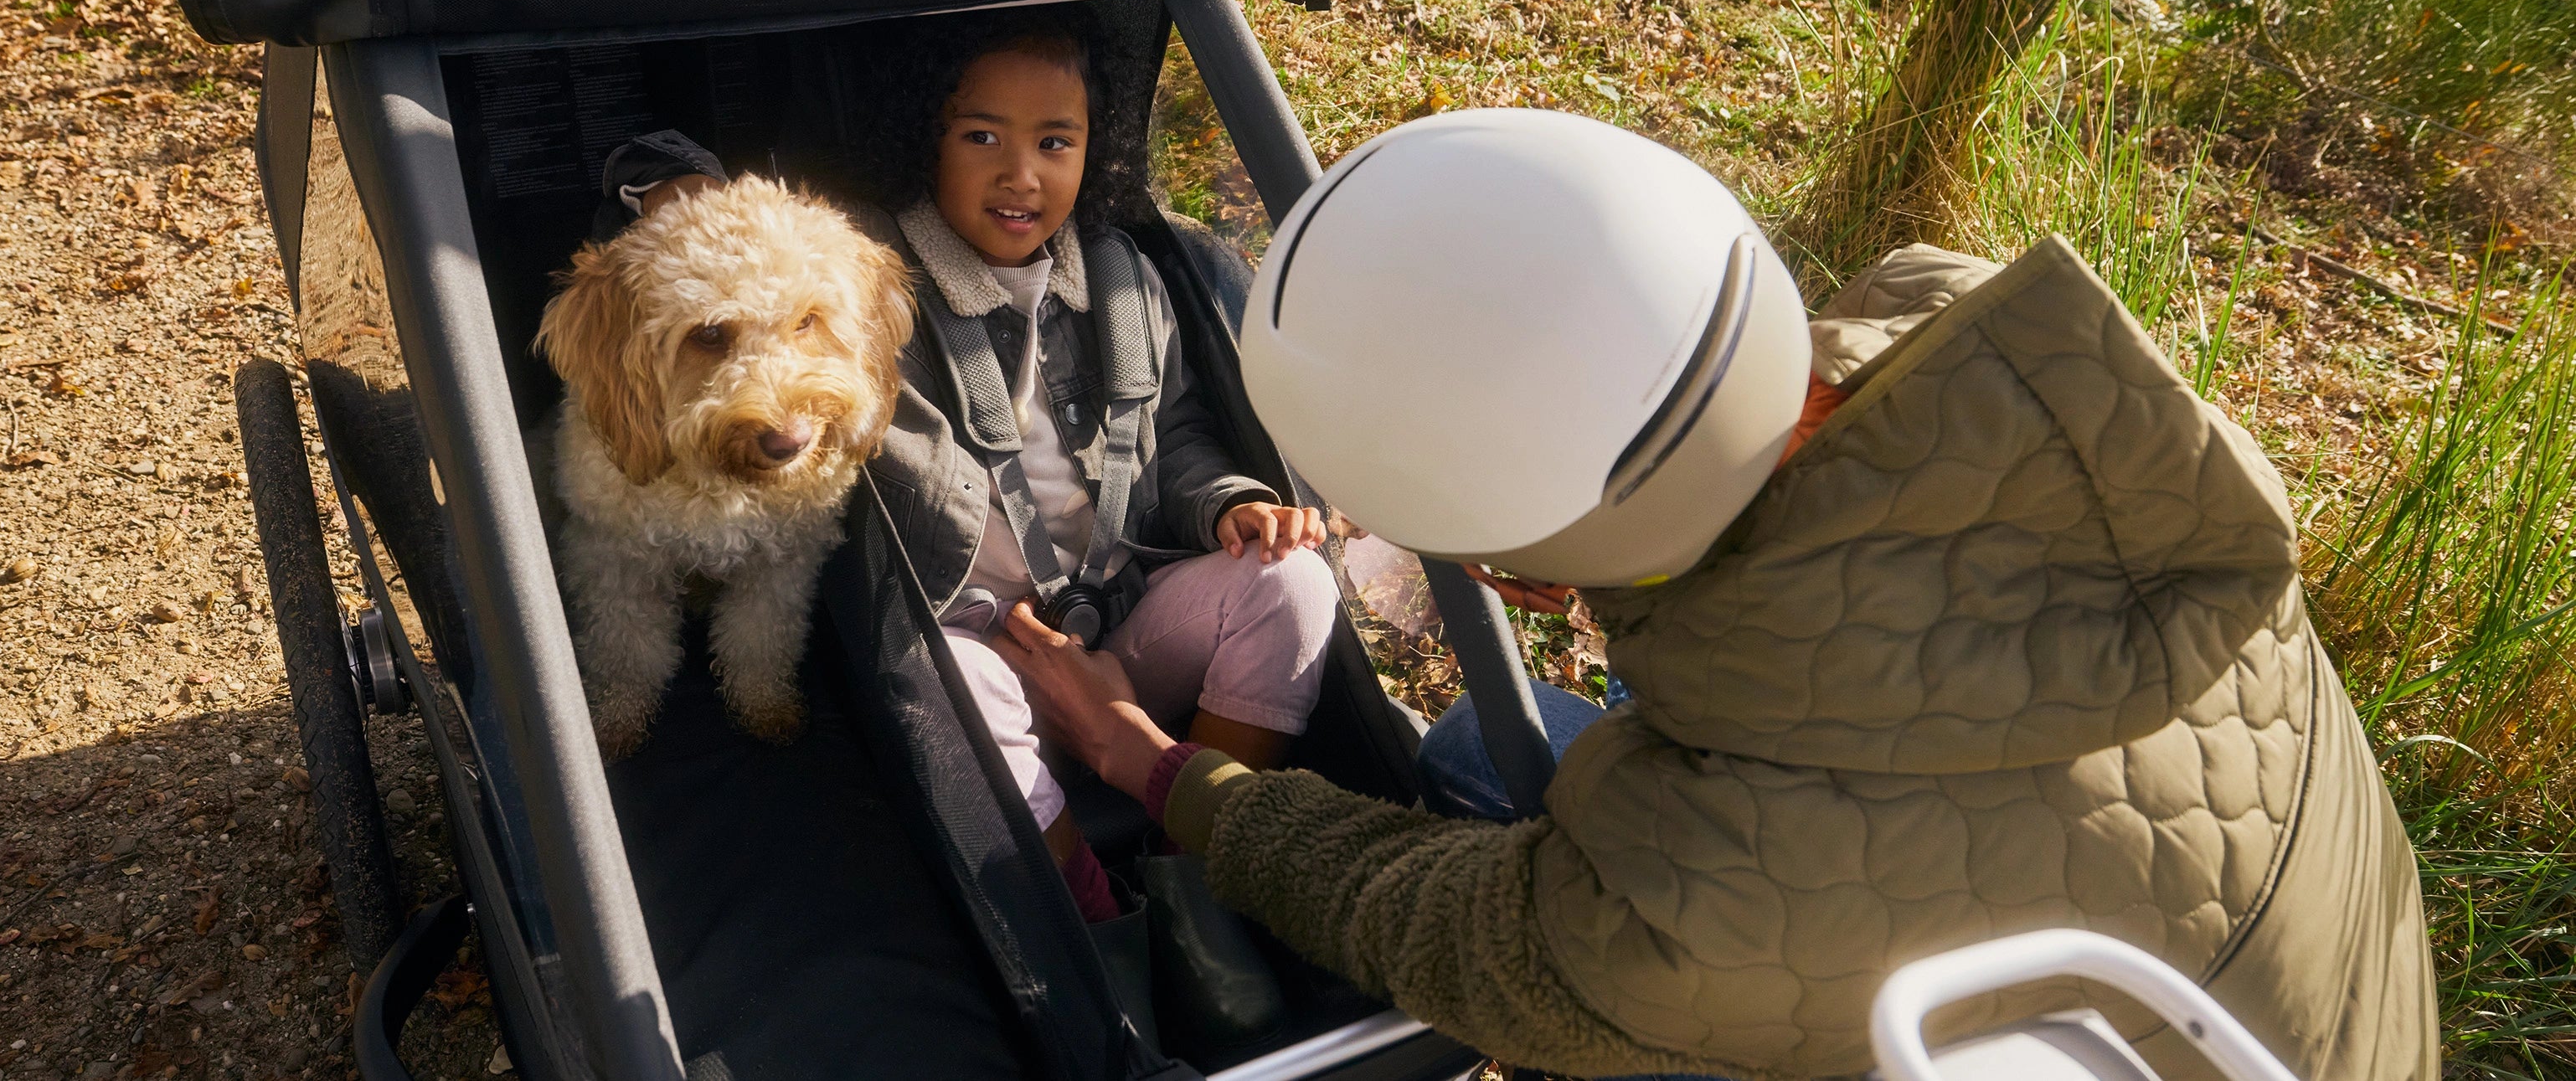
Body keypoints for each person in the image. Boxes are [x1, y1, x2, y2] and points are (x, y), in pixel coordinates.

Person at [1003, 108, 2437, 1079]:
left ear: (1517, 572)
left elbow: (1404, 909)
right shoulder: (2035, 397)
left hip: (1846, 928)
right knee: (1465, 747)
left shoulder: (1690, 895)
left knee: (1480, 790)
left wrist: (1146, 759)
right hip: (2347, 1020)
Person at [599, 8, 1337, 1053]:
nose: (1021, 175)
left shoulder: (1124, 279)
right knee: (958, 675)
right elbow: (767, 278)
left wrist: (1232, 506)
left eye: (1055, 143)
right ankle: (1090, 927)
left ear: (1096, 148)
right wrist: (685, 194)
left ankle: (1201, 890)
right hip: (982, 627)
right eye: (981, 138)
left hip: (1124, 613)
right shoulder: (870, 289)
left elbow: (1176, 440)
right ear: (923, 141)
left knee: (1293, 585)